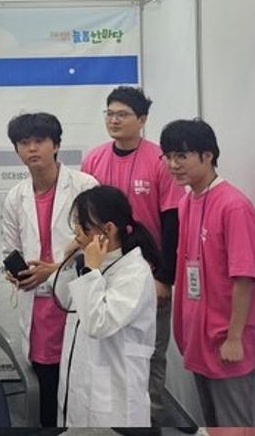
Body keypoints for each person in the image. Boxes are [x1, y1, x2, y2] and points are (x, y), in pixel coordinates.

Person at [81, 85, 184, 424]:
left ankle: (150, 420)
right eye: (110, 113)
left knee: (149, 355)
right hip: (106, 271)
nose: (114, 120)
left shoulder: (160, 161)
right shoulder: (94, 159)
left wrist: (164, 277)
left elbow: (171, 222)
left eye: (122, 114)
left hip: (147, 275)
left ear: (142, 119)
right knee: (105, 353)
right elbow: (85, 218)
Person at [160, 118, 255, 426]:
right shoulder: (186, 202)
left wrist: (234, 337)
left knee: (233, 425)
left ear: (208, 156)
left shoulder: (234, 206)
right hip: (198, 339)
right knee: (212, 423)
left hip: (226, 341)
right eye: (168, 156)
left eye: (182, 156)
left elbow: (244, 277)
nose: (173, 165)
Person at [1, 112, 98, 427]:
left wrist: (53, 270)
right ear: (16, 149)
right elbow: (10, 249)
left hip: (75, 300)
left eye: (40, 141)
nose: (32, 149)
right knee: (45, 388)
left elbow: (99, 245)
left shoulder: (84, 186)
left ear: (56, 145)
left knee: (77, 391)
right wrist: (15, 273)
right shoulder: (15, 197)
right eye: (24, 142)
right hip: (37, 310)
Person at [57, 185, 159, 427]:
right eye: (75, 223)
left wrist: (91, 270)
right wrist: (68, 263)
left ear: (108, 229)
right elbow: (63, 300)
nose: (76, 232)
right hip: (79, 386)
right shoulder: (94, 263)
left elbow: (97, 325)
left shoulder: (134, 273)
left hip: (115, 400)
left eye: (83, 225)